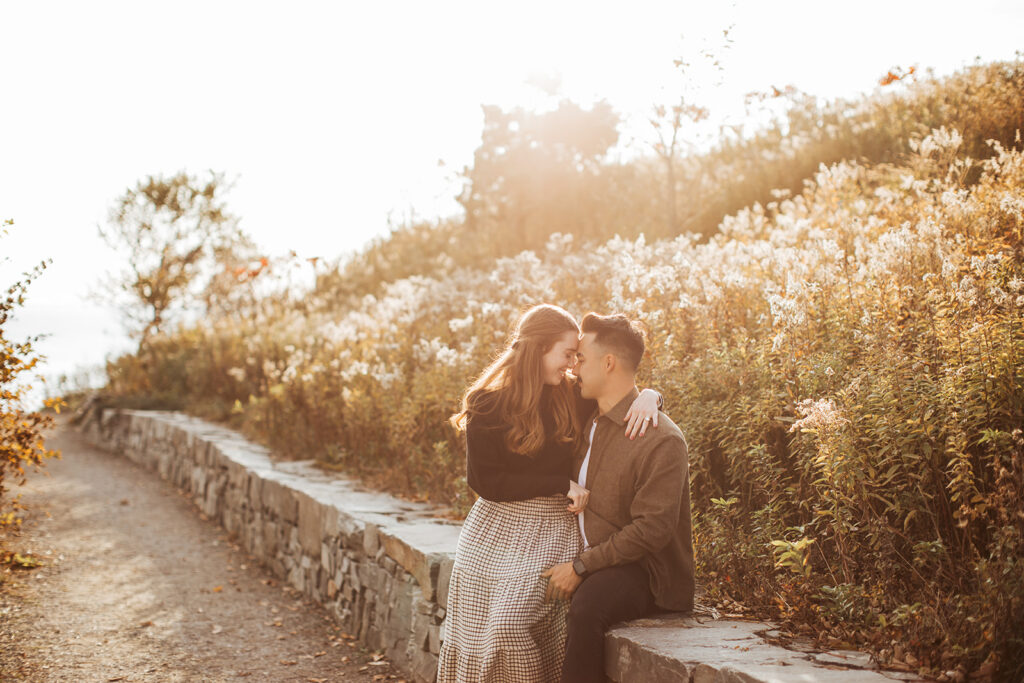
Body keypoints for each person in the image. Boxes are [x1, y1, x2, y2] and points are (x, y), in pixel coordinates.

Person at [437, 304, 662, 683]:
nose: (572, 364)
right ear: (538, 349)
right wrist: (559, 482)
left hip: (552, 524)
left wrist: (651, 395)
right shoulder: (485, 404)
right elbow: (485, 482)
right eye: (566, 354)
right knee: (476, 628)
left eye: (577, 355)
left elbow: (619, 387)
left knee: (509, 626)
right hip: (494, 526)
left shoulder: (571, 395)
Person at [542, 312, 694, 683]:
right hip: (598, 555)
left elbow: (651, 531)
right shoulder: (587, 416)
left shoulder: (661, 440)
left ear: (608, 363)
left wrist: (581, 566)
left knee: (588, 605)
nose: (574, 369)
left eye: (581, 359)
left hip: (646, 572)